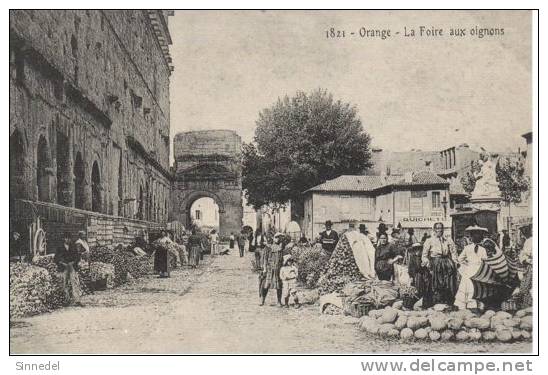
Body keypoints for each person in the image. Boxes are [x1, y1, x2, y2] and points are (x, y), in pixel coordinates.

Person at [454, 226, 490, 311]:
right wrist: (466, 265)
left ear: (481, 237)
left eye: (478, 235)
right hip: (469, 270)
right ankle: (466, 306)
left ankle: (476, 306)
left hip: (479, 271)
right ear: (471, 237)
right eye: (474, 235)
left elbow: (485, 261)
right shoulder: (467, 248)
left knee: (477, 288)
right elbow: (460, 259)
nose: (476, 237)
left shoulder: (483, 249)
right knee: (468, 287)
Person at [422, 222, 458, 305]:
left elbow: (453, 252)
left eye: (441, 228)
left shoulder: (448, 240)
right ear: (434, 230)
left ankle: (448, 301)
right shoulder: (429, 241)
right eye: (437, 228)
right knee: (435, 282)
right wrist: (428, 264)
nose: (440, 230)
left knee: (448, 281)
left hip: (446, 262)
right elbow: (424, 255)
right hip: (435, 263)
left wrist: (455, 262)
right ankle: (436, 302)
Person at [54, 232, 82, 306]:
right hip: (64, 267)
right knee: (64, 283)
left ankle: (77, 300)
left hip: (72, 267)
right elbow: (56, 258)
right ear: (64, 239)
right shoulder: (59, 247)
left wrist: (73, 263)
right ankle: (66, 300)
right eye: (66, 238)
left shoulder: (73, 247)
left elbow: (78, 257)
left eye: (69, 238)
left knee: (75, 283)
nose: (68, 240)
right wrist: (62, 263)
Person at [259, 232, 285, 307]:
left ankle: (279, 301)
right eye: (276, 237)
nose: (278, 239)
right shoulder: (268, 247)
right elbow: (265, 259)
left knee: (279, 285)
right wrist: (264, 269)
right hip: (270, 268)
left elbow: (282, 259)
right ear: (273, 238)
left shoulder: (281, 248)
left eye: (279, 238)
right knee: (266, 285)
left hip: (278, 269)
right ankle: (262, 300)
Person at [518, 225, 533, 308]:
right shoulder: (528, 240)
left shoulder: (529, 241)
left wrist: (525, 260)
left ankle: (527, 305)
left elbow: (525, 254)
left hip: (531, 265)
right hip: (530, 265)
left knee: (526, 286)